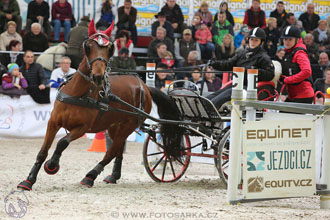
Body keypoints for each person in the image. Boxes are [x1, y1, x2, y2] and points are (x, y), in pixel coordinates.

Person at [208, 27, 275, 109]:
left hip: (252, 88)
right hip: (239, 83)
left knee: (230, 92)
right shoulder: (242, 53)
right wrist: (214, 64)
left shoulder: (264, 57)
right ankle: (204, 104)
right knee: (221, 91)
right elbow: (229, 64)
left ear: (261, 42)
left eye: (256, 40)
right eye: (251, 39)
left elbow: (270, 74)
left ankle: (211, 108)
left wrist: (253, 70)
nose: (253, 42)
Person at [280, 25, 314, 104]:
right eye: (285, 39)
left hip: (303, 95)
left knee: (284, 114)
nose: (287, 42)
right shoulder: (288, 52)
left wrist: (287, 80)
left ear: (297, 39)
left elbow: (307, 71)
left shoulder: (299, 53)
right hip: (292, 95)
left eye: (290, 39)